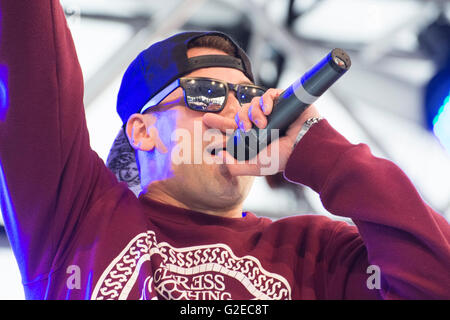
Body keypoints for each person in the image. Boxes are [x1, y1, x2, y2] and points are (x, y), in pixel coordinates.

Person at [0, 1, 449, 300]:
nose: (237, 112)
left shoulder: (317, 252)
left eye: (248, 98)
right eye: (207, 93)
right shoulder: (77, 217)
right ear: (142, 130)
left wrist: (327, 157)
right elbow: (30, 56)